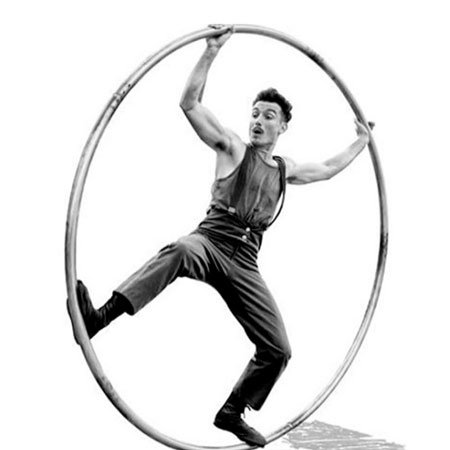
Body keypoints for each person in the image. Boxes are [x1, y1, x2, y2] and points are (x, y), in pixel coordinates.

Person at [68, 25, 370, 447]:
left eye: (268, 116)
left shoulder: (285, 170)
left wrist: (362, 141)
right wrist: (211, 51)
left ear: (283, 126)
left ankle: (232, 411)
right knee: (180, 250)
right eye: (255, 113)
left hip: (245, 263)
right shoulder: (231, 147)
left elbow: (327, 169)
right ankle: (100, 317)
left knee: (279, 349)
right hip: (210, 242)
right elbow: (189, 104)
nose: (258, 120)